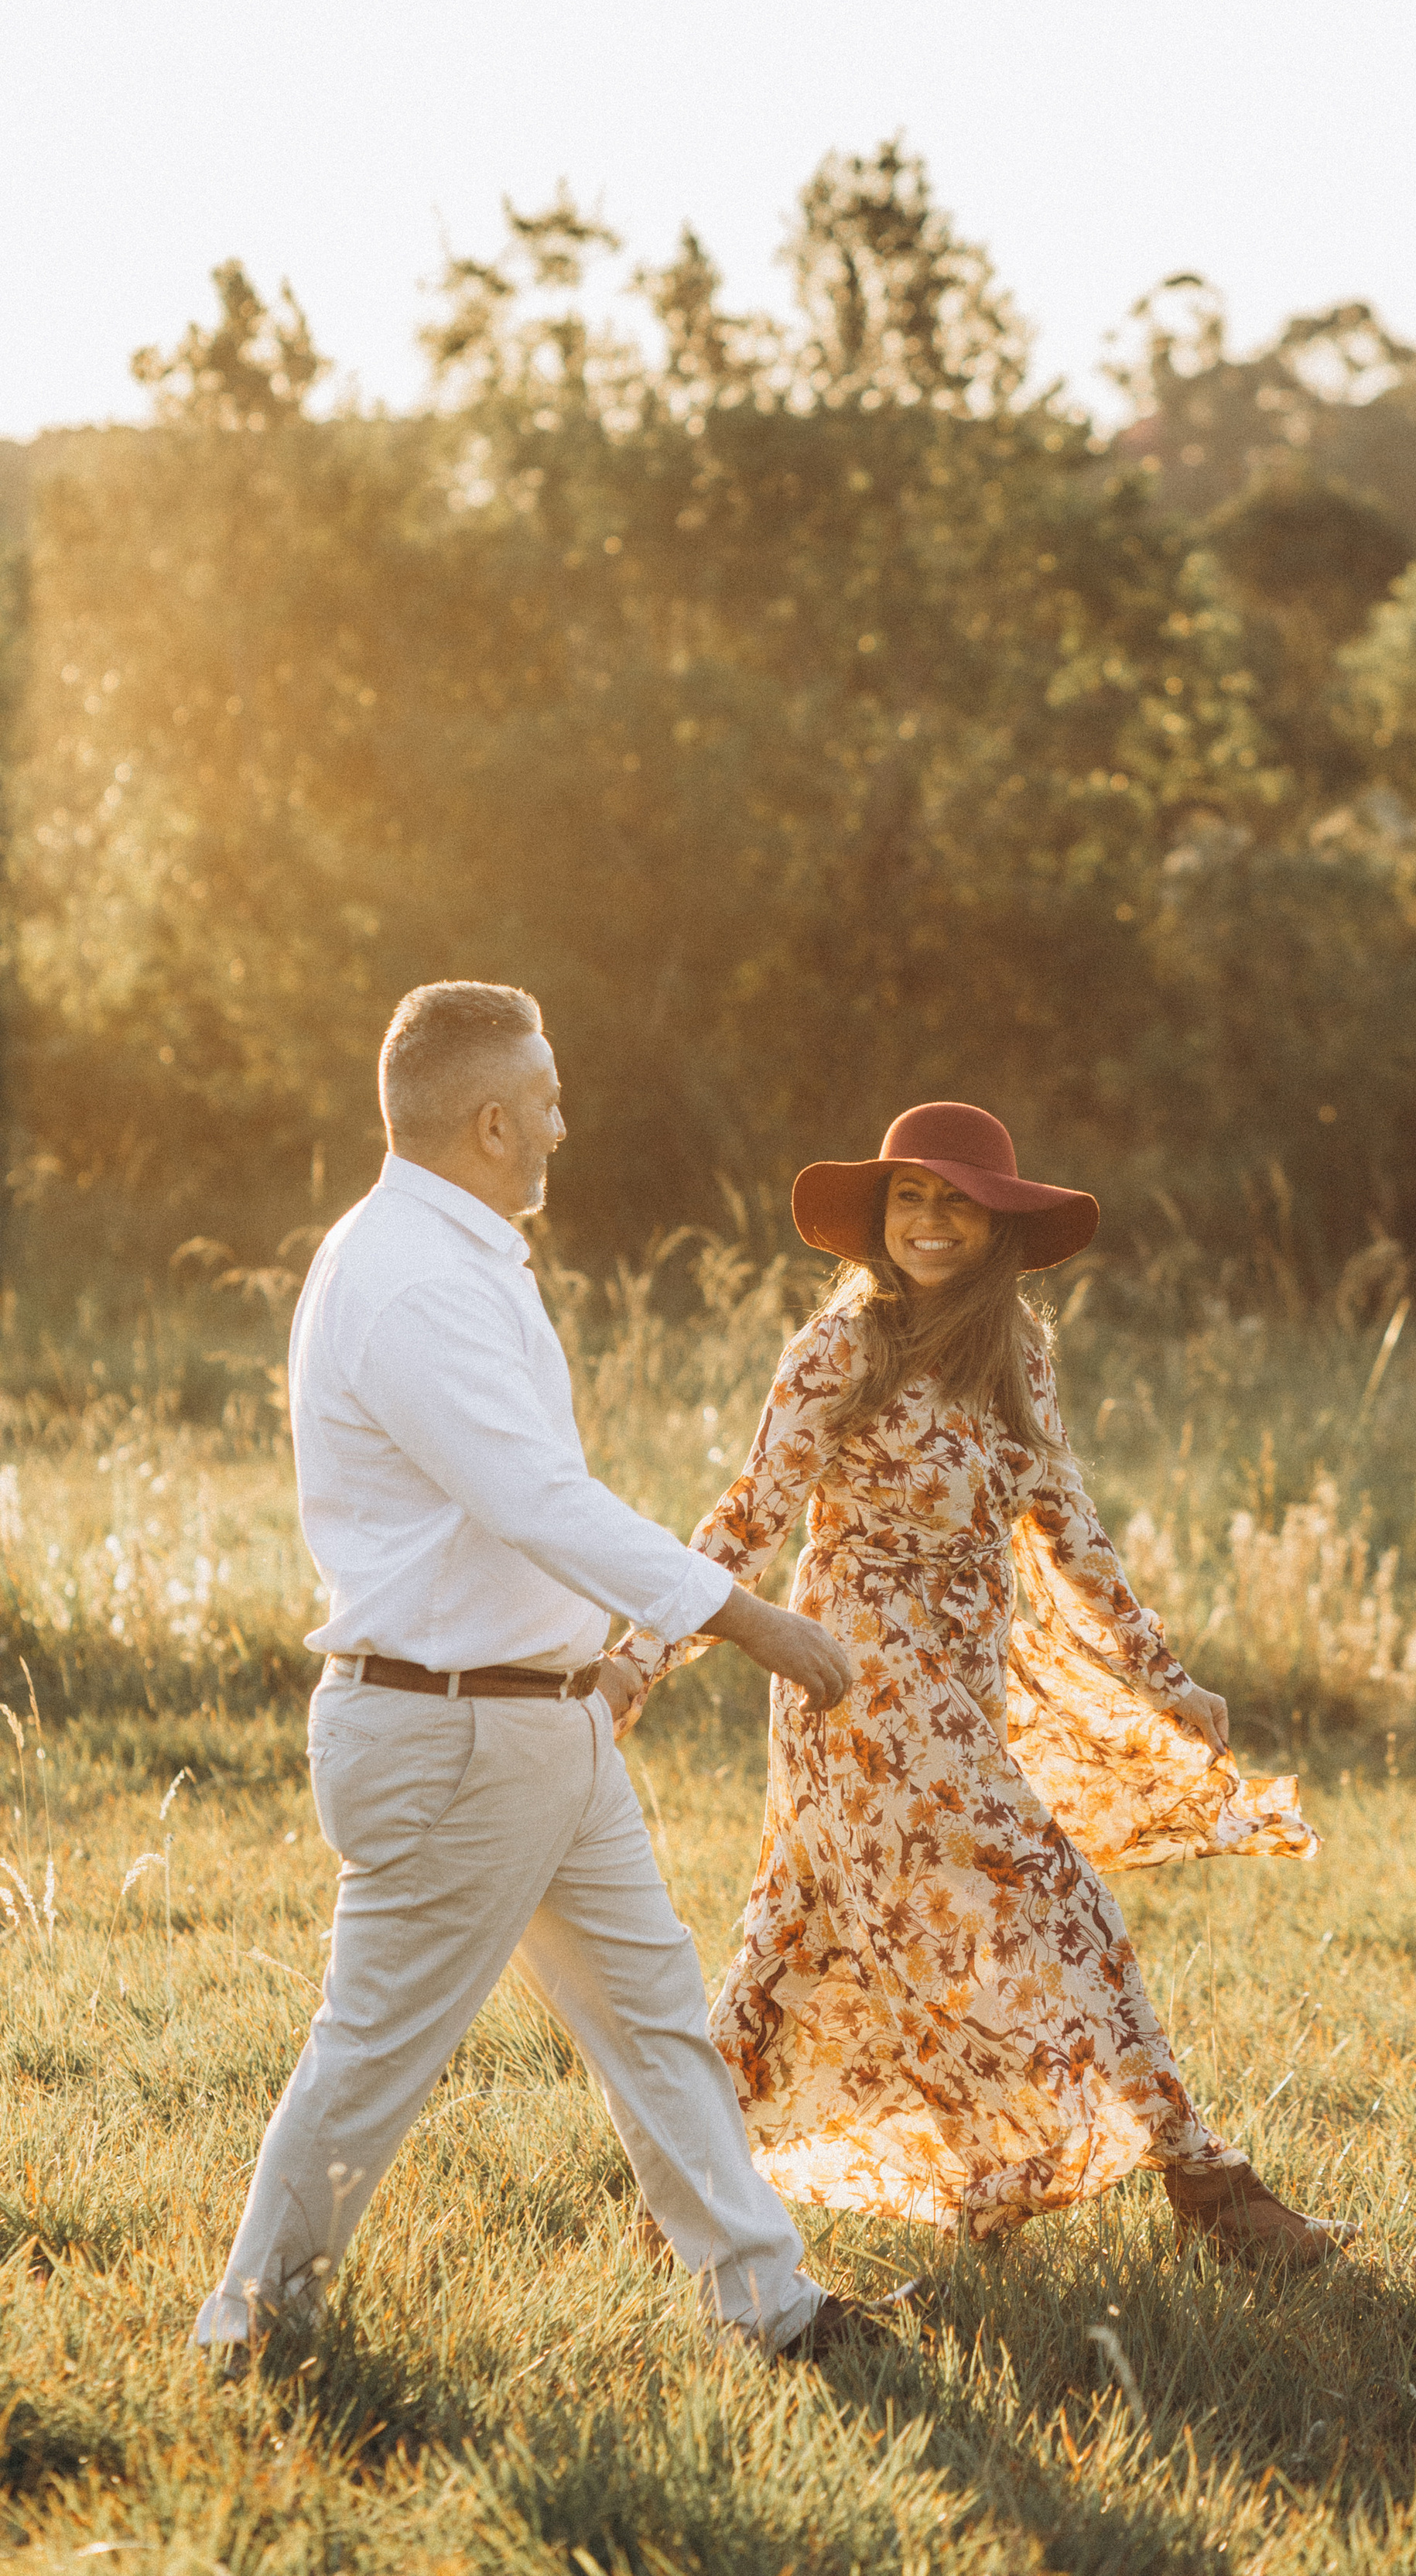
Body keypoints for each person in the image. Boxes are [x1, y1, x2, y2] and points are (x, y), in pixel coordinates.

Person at [193, 982, 906, 2368]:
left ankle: (771, 2307)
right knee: (376, 2049)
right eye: (549, 1101)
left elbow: (514, 1515)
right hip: (452, 1736)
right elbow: (533, 1499)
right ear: (491, 1121)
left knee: (656, 2021)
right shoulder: (411, 1280)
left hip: (539, 1726)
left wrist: (600, 1666)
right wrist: (744, 1620)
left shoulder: (449, 1255)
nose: (564, 1127)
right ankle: (254, 2328)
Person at [619, 1103, 1342, 2260]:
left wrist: (1162, 1675)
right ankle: (1210, 2188)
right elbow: (747, 1518)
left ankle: (683, 2197)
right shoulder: (838, 1351)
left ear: (1000, 1222)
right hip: (858, 1683)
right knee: (1059, 1899)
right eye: (909, 1197)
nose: (930, 1220)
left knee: (799, 1935)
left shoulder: (1019, 1353)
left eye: (956, 1201)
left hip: (961, 1679)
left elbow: (1066, 1520)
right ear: (879, 1218)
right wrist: (639, 1659)